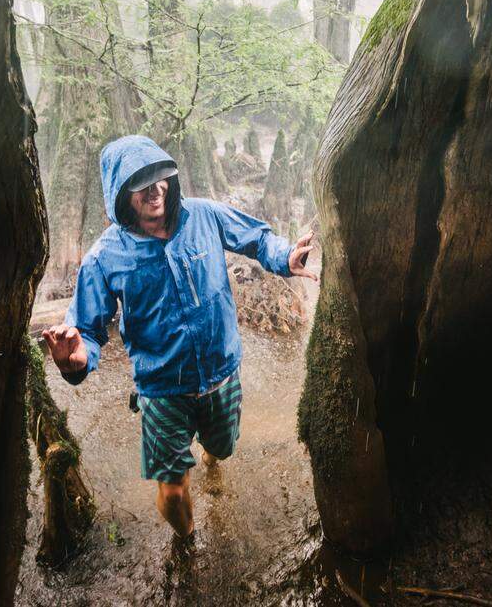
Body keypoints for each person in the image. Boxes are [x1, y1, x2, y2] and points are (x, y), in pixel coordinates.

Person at [41, 135, 316, 544]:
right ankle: (186, 540)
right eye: (141, 182)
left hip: (221, 374)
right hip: (162, 389)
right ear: (120, 193)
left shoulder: (203, 216)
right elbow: (88, 331)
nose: (154, 189)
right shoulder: (105, 257)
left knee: (222, 447)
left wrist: (284, 256)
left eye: (160, 177)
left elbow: (257, 239)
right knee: (171, 492)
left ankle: (211, 455)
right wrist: (75, 359)